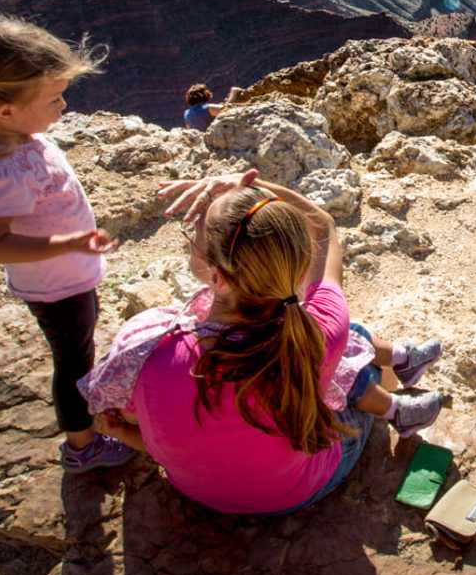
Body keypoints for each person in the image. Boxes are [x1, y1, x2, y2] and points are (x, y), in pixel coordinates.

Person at [88, 170, 445, 514]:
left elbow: (142, 429)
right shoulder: (321, 328)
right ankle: (401, 385)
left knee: (335, 349)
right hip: (296, 491)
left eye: (196, 238)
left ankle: (402, 374)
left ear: (217, 276)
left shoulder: (148, 347)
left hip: (198, 493)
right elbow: (323, 226)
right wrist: (253, 185)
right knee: (352, 342)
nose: (193, 239)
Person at [0, 11, 136, 474]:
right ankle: (83, 447)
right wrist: (69, 241)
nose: (63, 106)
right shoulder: (1, 168)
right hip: (56, 284)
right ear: (5, 111)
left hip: (63, 277)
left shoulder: (11, 138)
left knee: (79, 344)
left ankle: (88, 418)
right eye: (54, 98)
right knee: (73, 366)